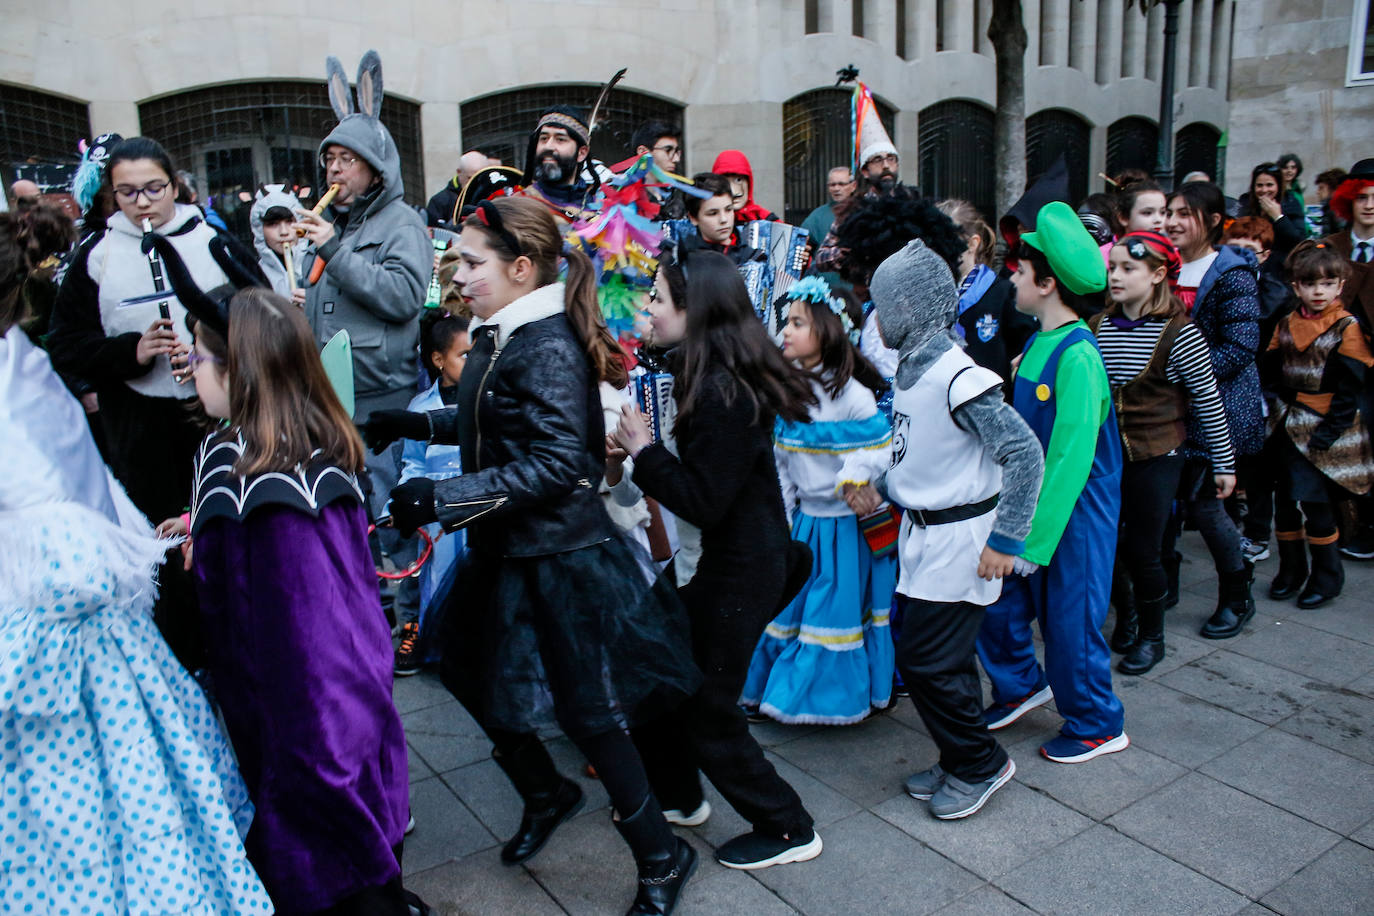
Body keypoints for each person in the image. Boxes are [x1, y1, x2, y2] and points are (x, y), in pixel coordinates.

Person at [372, 196, 702, 915]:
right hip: (506, 547)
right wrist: (415, 422)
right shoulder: (506, 332)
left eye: (472, 263)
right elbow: (495, 418)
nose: (459, 276)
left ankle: (661, 854)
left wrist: (441, 495)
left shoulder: (544, 343)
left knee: (589, 713)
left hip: (560, 556)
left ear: (522, 268)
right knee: (464, 667)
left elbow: (558, 464)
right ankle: (546, 791)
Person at [0, 211, 274, 916]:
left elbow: (71, 565)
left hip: (63, 662)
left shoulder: (18, 391)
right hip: (67, 659)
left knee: (96, 838)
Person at [149, 267, 414, 914]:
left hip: (308, 733)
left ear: (240, 371)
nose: (191, 369)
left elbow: (306, 636)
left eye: (200, 357)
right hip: (339, 707)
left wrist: (320, 764)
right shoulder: (296, 437)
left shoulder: (263, 488)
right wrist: (200, 525)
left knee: (339, 875)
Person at [611, 247, 825, 867]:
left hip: (739, 572)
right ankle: (678, 795)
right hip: (714, 564)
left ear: (694, 309)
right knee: (648, 666)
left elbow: (705, 501)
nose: (648, 310)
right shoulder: (704, 373)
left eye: (657, 298)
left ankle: (788, 828)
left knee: (708, 708)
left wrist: (644, 452)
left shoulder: (722, 390)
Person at [863, 238, 1044, 817]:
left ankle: (980, 762)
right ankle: (959, 753)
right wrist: (881, 484)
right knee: (940, 660)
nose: (876, 318)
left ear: (908, 308)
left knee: (928, 662)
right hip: (924, 537)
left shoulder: (955, 373)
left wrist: (1007, 539)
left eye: (883, 305)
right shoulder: (915, 370)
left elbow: (1023, 452)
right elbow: (922, 452)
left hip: (960, 542)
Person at [46, 136, 238, 667]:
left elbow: (259, 322)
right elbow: (65, 344)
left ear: (174, 186)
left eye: (154, 188)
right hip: (140, 427)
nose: (143, 202)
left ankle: (232, 645)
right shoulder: (97, 254)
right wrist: (130, 352)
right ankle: (177, 659)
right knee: (159, 546)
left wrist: (209, 357)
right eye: (127, 192)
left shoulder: (212, 241)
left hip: (215, 421)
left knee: (221, 527)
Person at [975, 202, 1128, 760]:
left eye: (1019, 271)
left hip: (1074, 517)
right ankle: (1020, 685)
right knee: (995, 603)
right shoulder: (1041, 342)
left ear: (1047, 284)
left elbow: (1069, 459)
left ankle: (1097, 722)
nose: (1011, 278)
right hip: (1033, 510)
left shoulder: (1079, 356)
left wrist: (1032, 541)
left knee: (1070, 624)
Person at [741, 277, 895, 725]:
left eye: (797, 323)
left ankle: (818, 699)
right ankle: (773, 691)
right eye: (786, 322)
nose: (784, 331)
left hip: (846, 531)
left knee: (831, 614)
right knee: (791, 608)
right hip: (805, 527)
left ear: (828, 331)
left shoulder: (855, 397)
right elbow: (782, 468)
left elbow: (880, 451)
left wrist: (853, 476)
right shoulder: (789, 392)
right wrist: (783, 523)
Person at [299, 52, 431, 559]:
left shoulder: (401, 223)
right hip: (331, 398)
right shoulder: (336, 222)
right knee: (345, 515)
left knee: (387, 513)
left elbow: (404, 297)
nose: (334, 169)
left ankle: (404, 596)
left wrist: (333, 252)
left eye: (347, 159)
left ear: (377, 170)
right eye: (329, 159)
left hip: (379, 397)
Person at [1094, 231, 1238, 664]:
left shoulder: (1181, 333)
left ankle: (1152, 637)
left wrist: (1224, 463)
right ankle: (1127, 615)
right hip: (1107, 458)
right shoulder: (1097, 326)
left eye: (1128, 268)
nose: (1116, 276)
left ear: (1157, 275)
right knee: (1108, 544)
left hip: (1157, 456)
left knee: (1145, 549)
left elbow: (1208, 401)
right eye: (1113, 267)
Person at [1164, 183, 1264, 619]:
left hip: (1216, 409)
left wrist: (1183, 375)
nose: (1172, 222)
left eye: (1184, 213)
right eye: (1169, 212)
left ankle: (1238, 596)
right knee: (1166, 506)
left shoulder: (1231, 273)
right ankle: (1163, 588)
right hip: (1170, 409)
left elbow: (1240, 347)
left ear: (1213, 220)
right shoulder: (1163, 266)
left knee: (1206, 506)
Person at [1263, 240, 1374, 608]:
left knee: (1317, 506)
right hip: (1285, 425)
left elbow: (1350, 389)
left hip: (1324, 428)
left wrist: (1329, 432)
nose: (1318, 292)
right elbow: (1273, 370)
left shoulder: (1346, 326)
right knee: (1284, 503)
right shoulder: (1287, 322)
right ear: (1297, 287)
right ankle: (1290, 571)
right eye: (1310, 284)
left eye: (1327, 284)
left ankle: (1326, 578)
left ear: (1340, 285)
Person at [392, 311, 471, 676]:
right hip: (436, 513)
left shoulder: (485, 401)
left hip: (475, 504)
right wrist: (405, 500)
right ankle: (436, 645)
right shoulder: (420, 408)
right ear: (439, 359)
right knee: (436, 576)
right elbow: (412, 463)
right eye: (464, 355)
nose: (472, 361)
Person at [938, 198, 1035, 383]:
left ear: (972, 243)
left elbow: (1023, 358)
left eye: (947, 239)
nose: (939, 249)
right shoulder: (929, 297)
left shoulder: (1004, 294)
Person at [519, 106, 605, 224]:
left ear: (581, 153)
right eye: (544, 138)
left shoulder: (603, 209)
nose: (548, 146)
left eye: (560, 139)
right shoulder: (518, 206)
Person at [1239, 162, 1306, 267]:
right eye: (1259, 185)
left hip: (1280, 266)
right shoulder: (1245, 202)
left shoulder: (1291, 202)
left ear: (1278, 186)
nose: (1264, 190)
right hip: (1249, 261)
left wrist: (1278, 217)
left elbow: (1299, 241)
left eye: (1269, 185)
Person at [249, 184, 305, 296]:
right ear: (259, 230)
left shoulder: (320, 264)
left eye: (289, 221)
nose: (284, 232)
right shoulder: (255, 275)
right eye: (273, 224)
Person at [711, 149, 778, 223]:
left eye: (738, 180)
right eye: (725, 182)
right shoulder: (709, 221)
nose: (733, 192)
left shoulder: (766, 219)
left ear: (749, 183)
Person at [427, 150, 489, 229]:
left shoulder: (493, 196)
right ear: (459, 172)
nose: (475, 183)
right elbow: (434, 232)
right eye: (470, 178)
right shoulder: (439, 201)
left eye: (481, 178)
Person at [1314, 167, 1349, 237]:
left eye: (1321, 188)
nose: (1317, 192)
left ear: (1333, 188)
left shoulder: (1337, 208)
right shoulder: (1330, 207)